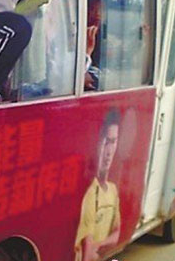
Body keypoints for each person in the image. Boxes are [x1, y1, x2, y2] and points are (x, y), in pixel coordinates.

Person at [74, 109, 121, 261]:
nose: (108, 152)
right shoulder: (91, 194)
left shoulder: (112, 190)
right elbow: (87, 253)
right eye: (106, 142)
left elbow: (116, 233)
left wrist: (99, 245)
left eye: (113, 142)